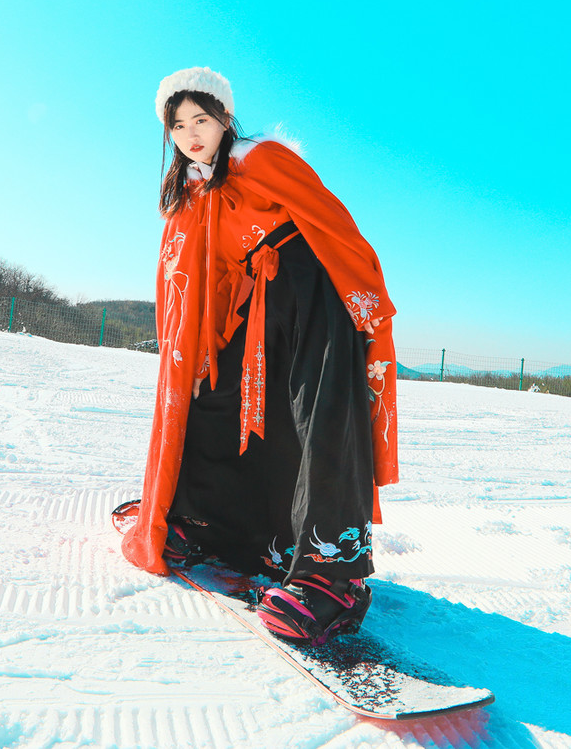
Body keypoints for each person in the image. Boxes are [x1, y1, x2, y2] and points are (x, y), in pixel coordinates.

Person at [120, 66, 399, 645]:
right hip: (261, 309)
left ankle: (334, 580)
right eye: (178, 125)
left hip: (314, 289)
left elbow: (333, 223)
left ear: (225, 118)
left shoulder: (261, 158)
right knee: (216, 400)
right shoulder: (197, 193)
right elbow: (206, 277)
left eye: (202, 119)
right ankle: (210, 524)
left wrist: (362, 306)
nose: (192, 133)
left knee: (317, 417)